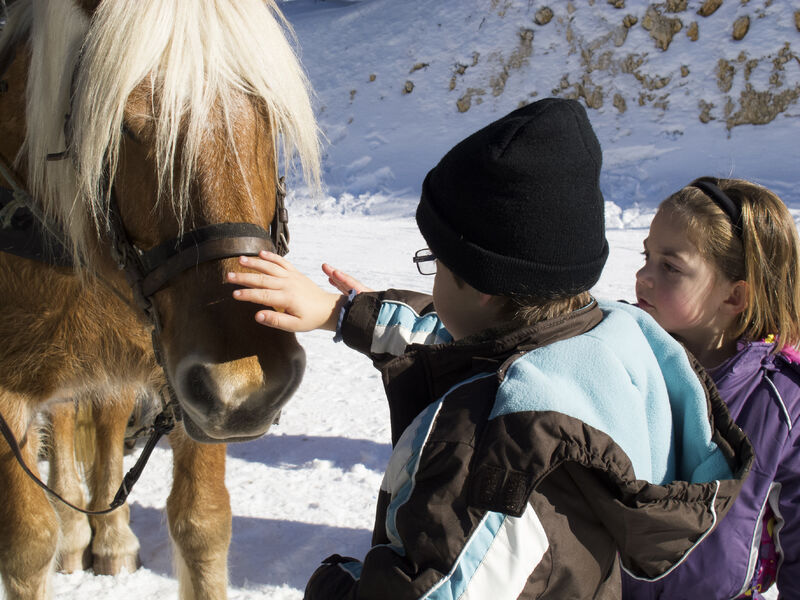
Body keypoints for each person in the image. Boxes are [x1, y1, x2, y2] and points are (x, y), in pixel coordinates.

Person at [228, 99, 753, 599]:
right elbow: (467, 344)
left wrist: (335, 584)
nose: (432, 279)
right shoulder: (610, 339)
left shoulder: (493, 450)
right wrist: (341, 313)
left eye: (435, 262)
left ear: (484, 285)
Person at [622, 177, 800, 600]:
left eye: (670, 266)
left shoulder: (783, 404)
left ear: (734, 296)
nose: (642, 276)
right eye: (647, 255)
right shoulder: (621, 357)